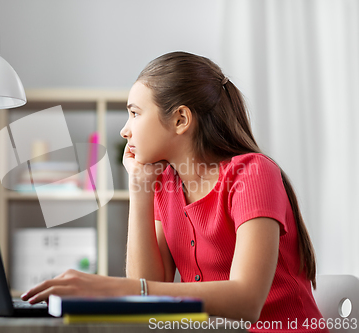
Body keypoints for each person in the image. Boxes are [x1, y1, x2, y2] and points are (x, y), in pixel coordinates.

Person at [22, 51, 327, 332]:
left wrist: (109, 288)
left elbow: (246, 302)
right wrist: (140, 188)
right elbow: (149, 291)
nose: (124, 130)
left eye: (135, 113)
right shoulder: (166, 183)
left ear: (180, 119)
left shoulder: (252, 173)